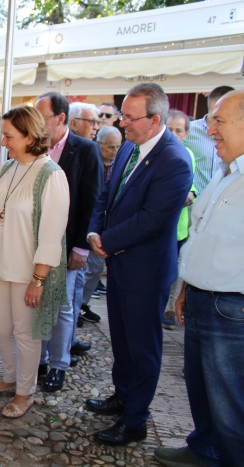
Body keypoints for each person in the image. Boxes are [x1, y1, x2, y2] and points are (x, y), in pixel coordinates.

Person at [86, 83, 192, 446]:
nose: (122, 123)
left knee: (142, 346)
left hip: (146, 270)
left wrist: (107, 241)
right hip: (118, 262)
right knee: (122, 338)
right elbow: (107, 195)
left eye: (130, 118)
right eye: (122, 115)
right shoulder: (131, 145)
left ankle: (135, 421)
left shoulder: (175, 160)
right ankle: (123, 395)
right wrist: (94, 232)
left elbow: (153, 219)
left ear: (155, 119)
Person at [153, 88, 244, 467]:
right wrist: (188, 287)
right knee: (202, 387)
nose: (211, 132)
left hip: (232, 307)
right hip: (205, 298)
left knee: (231, 401)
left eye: (219, 122)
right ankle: (202, 449)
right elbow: (205, 233)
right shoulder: (228, 173)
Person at [0, 105, 69, 419]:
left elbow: (52, 235)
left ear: (30, 137)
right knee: (0, 329)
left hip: (28, 272)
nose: (3, 142)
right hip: (0, 267)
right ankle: (9, 377)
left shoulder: (51, 175)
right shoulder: (8, 169)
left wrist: (39, 279)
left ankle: (24, 392)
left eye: (9, 136)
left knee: (27, 335)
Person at [35, 92, 102, 391]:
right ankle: (37, 358)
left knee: (63, 306)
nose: (36, 124)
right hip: (35, 242)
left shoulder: (85, 150)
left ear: (60, 119)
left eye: (42, 118)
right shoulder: (34, 147)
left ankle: (58, 364)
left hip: (68, 242)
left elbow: (92, 200)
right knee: (36, 302)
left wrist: (80, 247)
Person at [80, 125, 123, 324]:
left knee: (95, 269)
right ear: (99, 145)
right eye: (110, 147)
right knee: (83, 270)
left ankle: (82, 304)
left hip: (103, 227)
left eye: (117, 147)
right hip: (85, 224)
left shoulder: (118, 166)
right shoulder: (89, 160)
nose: (114, 151)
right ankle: (76, 307)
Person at [162, 110, 197, 331]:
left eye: (178, 130)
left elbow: (190, 190)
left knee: (175, 271)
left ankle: (169, 308)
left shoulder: (188, 155)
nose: (174, 134)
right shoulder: (157, 154)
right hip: (161, 228)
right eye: (170, 129)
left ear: (186, 134)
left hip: (178, 228)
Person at [185, 85, 235, 195]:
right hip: (192, 204)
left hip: (221, 204)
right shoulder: (188, 131)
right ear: (214, 106)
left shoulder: (236, 136)